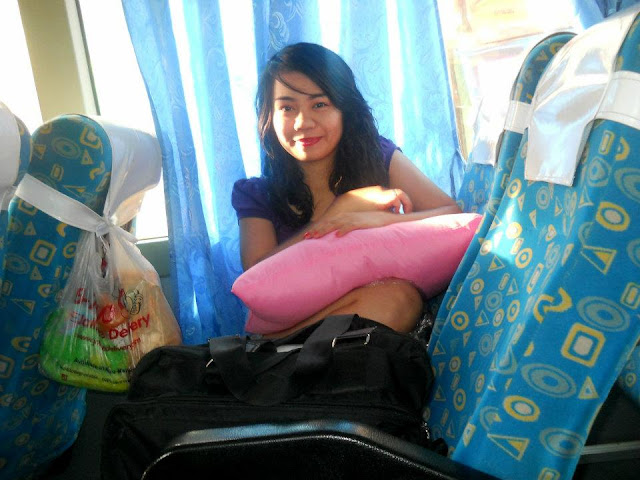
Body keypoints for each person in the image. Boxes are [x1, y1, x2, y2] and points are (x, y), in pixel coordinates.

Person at [232, 42, 460, 336]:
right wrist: (340, 211)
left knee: (398, 300)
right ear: (269, 117)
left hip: (371, 325)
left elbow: (451, 214)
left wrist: (381, 220)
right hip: (296, 347)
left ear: (345, 110)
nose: (303, 123)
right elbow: (257, 277)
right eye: (287, 108)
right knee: (396, 300)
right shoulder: (255, 194)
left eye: (319, 104)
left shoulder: (380, 157)